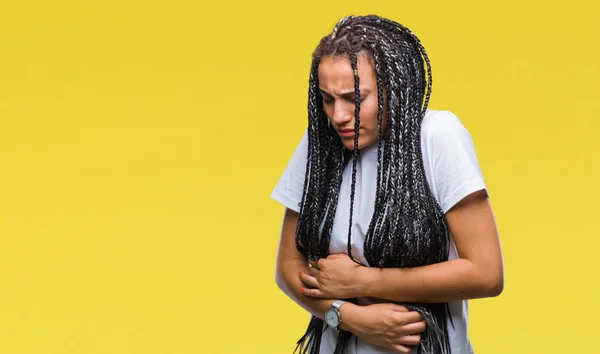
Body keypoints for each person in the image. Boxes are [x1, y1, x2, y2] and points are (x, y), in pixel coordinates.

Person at [270, 14, 504, 354]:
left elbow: (486, 273)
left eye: (354, 98)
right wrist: (348, 317)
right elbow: (288, 267)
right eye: (327, 98)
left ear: (394, 87)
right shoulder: (319, 144)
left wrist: (365, 280)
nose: (338, 116)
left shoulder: (436, 136)